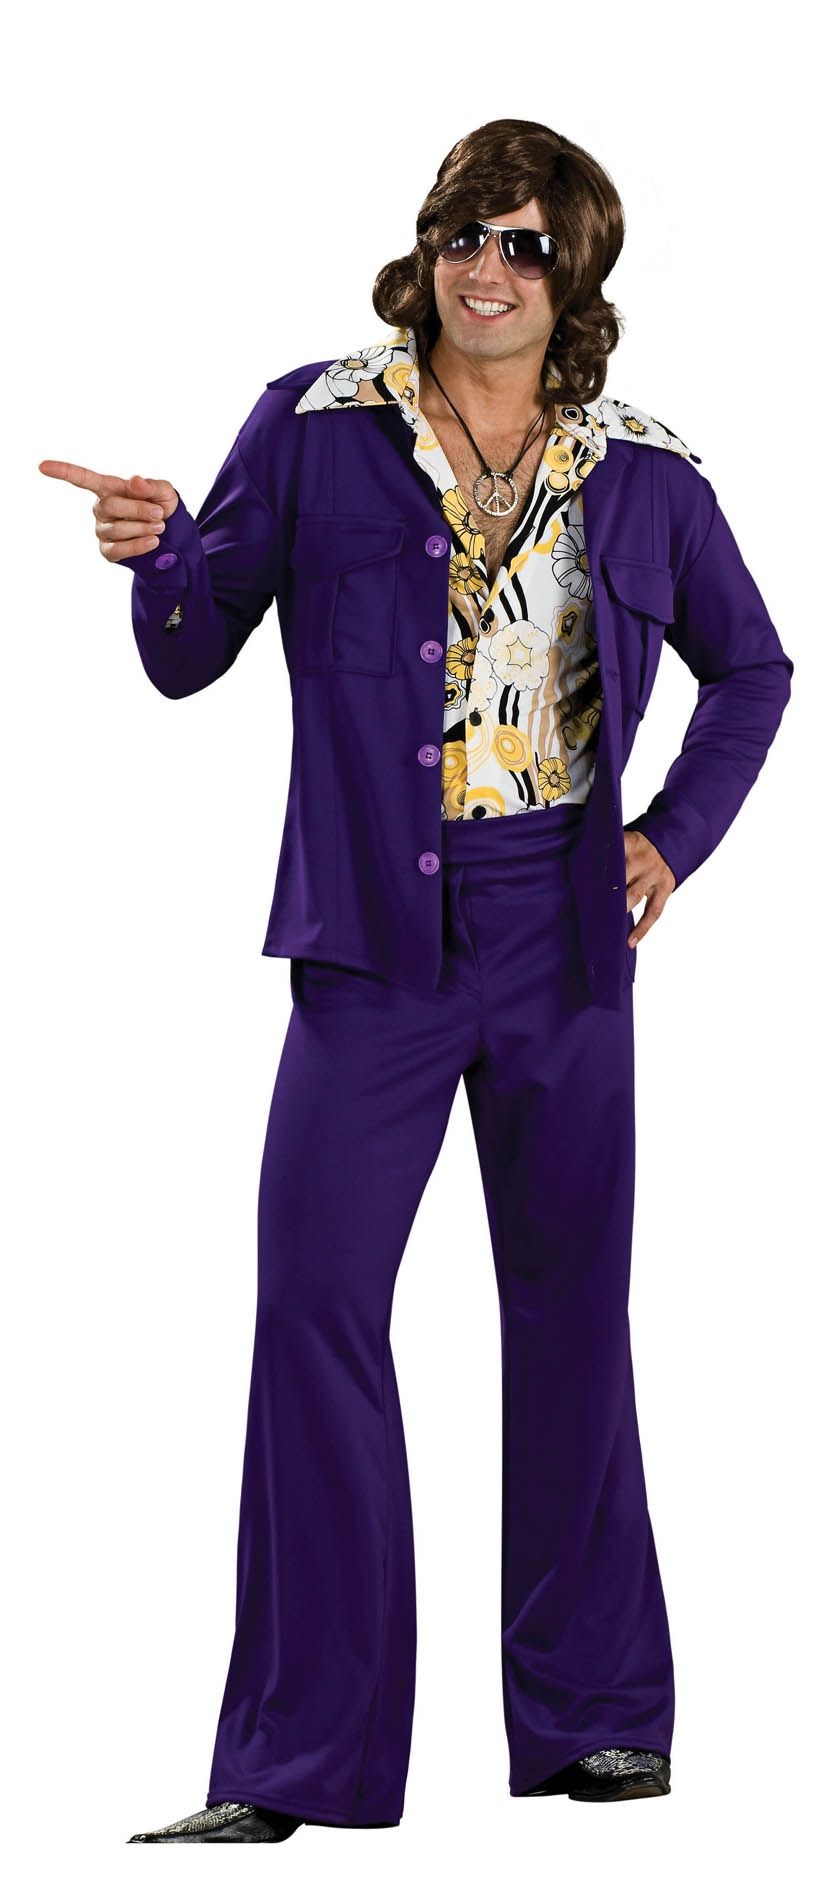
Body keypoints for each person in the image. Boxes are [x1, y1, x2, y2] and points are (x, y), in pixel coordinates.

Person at [40, 118, 793, 1842]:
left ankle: (599, 1719)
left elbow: (752, 670)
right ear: (426, 248)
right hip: (371, 935)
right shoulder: (314, 426)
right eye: (465, 233)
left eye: (526, 244)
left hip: (563, 942)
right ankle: (293, 1761)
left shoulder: (646, 472)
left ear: (574, 275)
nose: (487, 268)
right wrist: (161, 558)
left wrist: (669, 841)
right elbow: (191, 654)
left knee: (570, 1313)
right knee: (313, 1304)